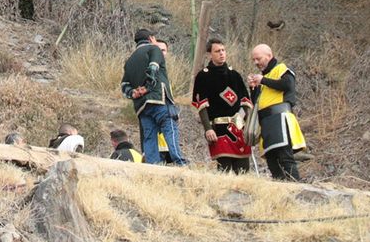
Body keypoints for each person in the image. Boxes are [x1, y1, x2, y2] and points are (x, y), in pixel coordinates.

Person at [122, 29, 186, 166]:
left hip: (141, 106)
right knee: (170, 129)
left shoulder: (129, 60)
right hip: (158, 98)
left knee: (149, 137)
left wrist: (134, 93)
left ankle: (153, 167)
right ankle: (180, 163)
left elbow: (124, 85)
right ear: (151, 38)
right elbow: (153, 68)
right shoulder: (154, 49)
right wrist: (148, 86)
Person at [192, 38, 255, 173]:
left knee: (243, 171)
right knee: (224, 171)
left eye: (223, 50)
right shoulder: (203, 76)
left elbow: (246, 103)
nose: (221, 53)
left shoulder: (235, 75)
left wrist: (248, 127)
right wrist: (208, 129)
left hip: (239, 129)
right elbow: (201, 106)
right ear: (209, 54)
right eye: (217, 51)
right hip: (219, 129)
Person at [248, 44, 306, 182]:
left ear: (269, 55)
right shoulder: (263, 77)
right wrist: (253, 88)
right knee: (271, 160)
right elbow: (256, 101)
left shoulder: (281, 68)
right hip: (266, 122)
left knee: (285, 157)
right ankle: (280, 188)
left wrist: (263, 80)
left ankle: (295, 187)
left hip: (279, 119)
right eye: (254, 60)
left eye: (258, 58)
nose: (256, 63)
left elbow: (287, 85)